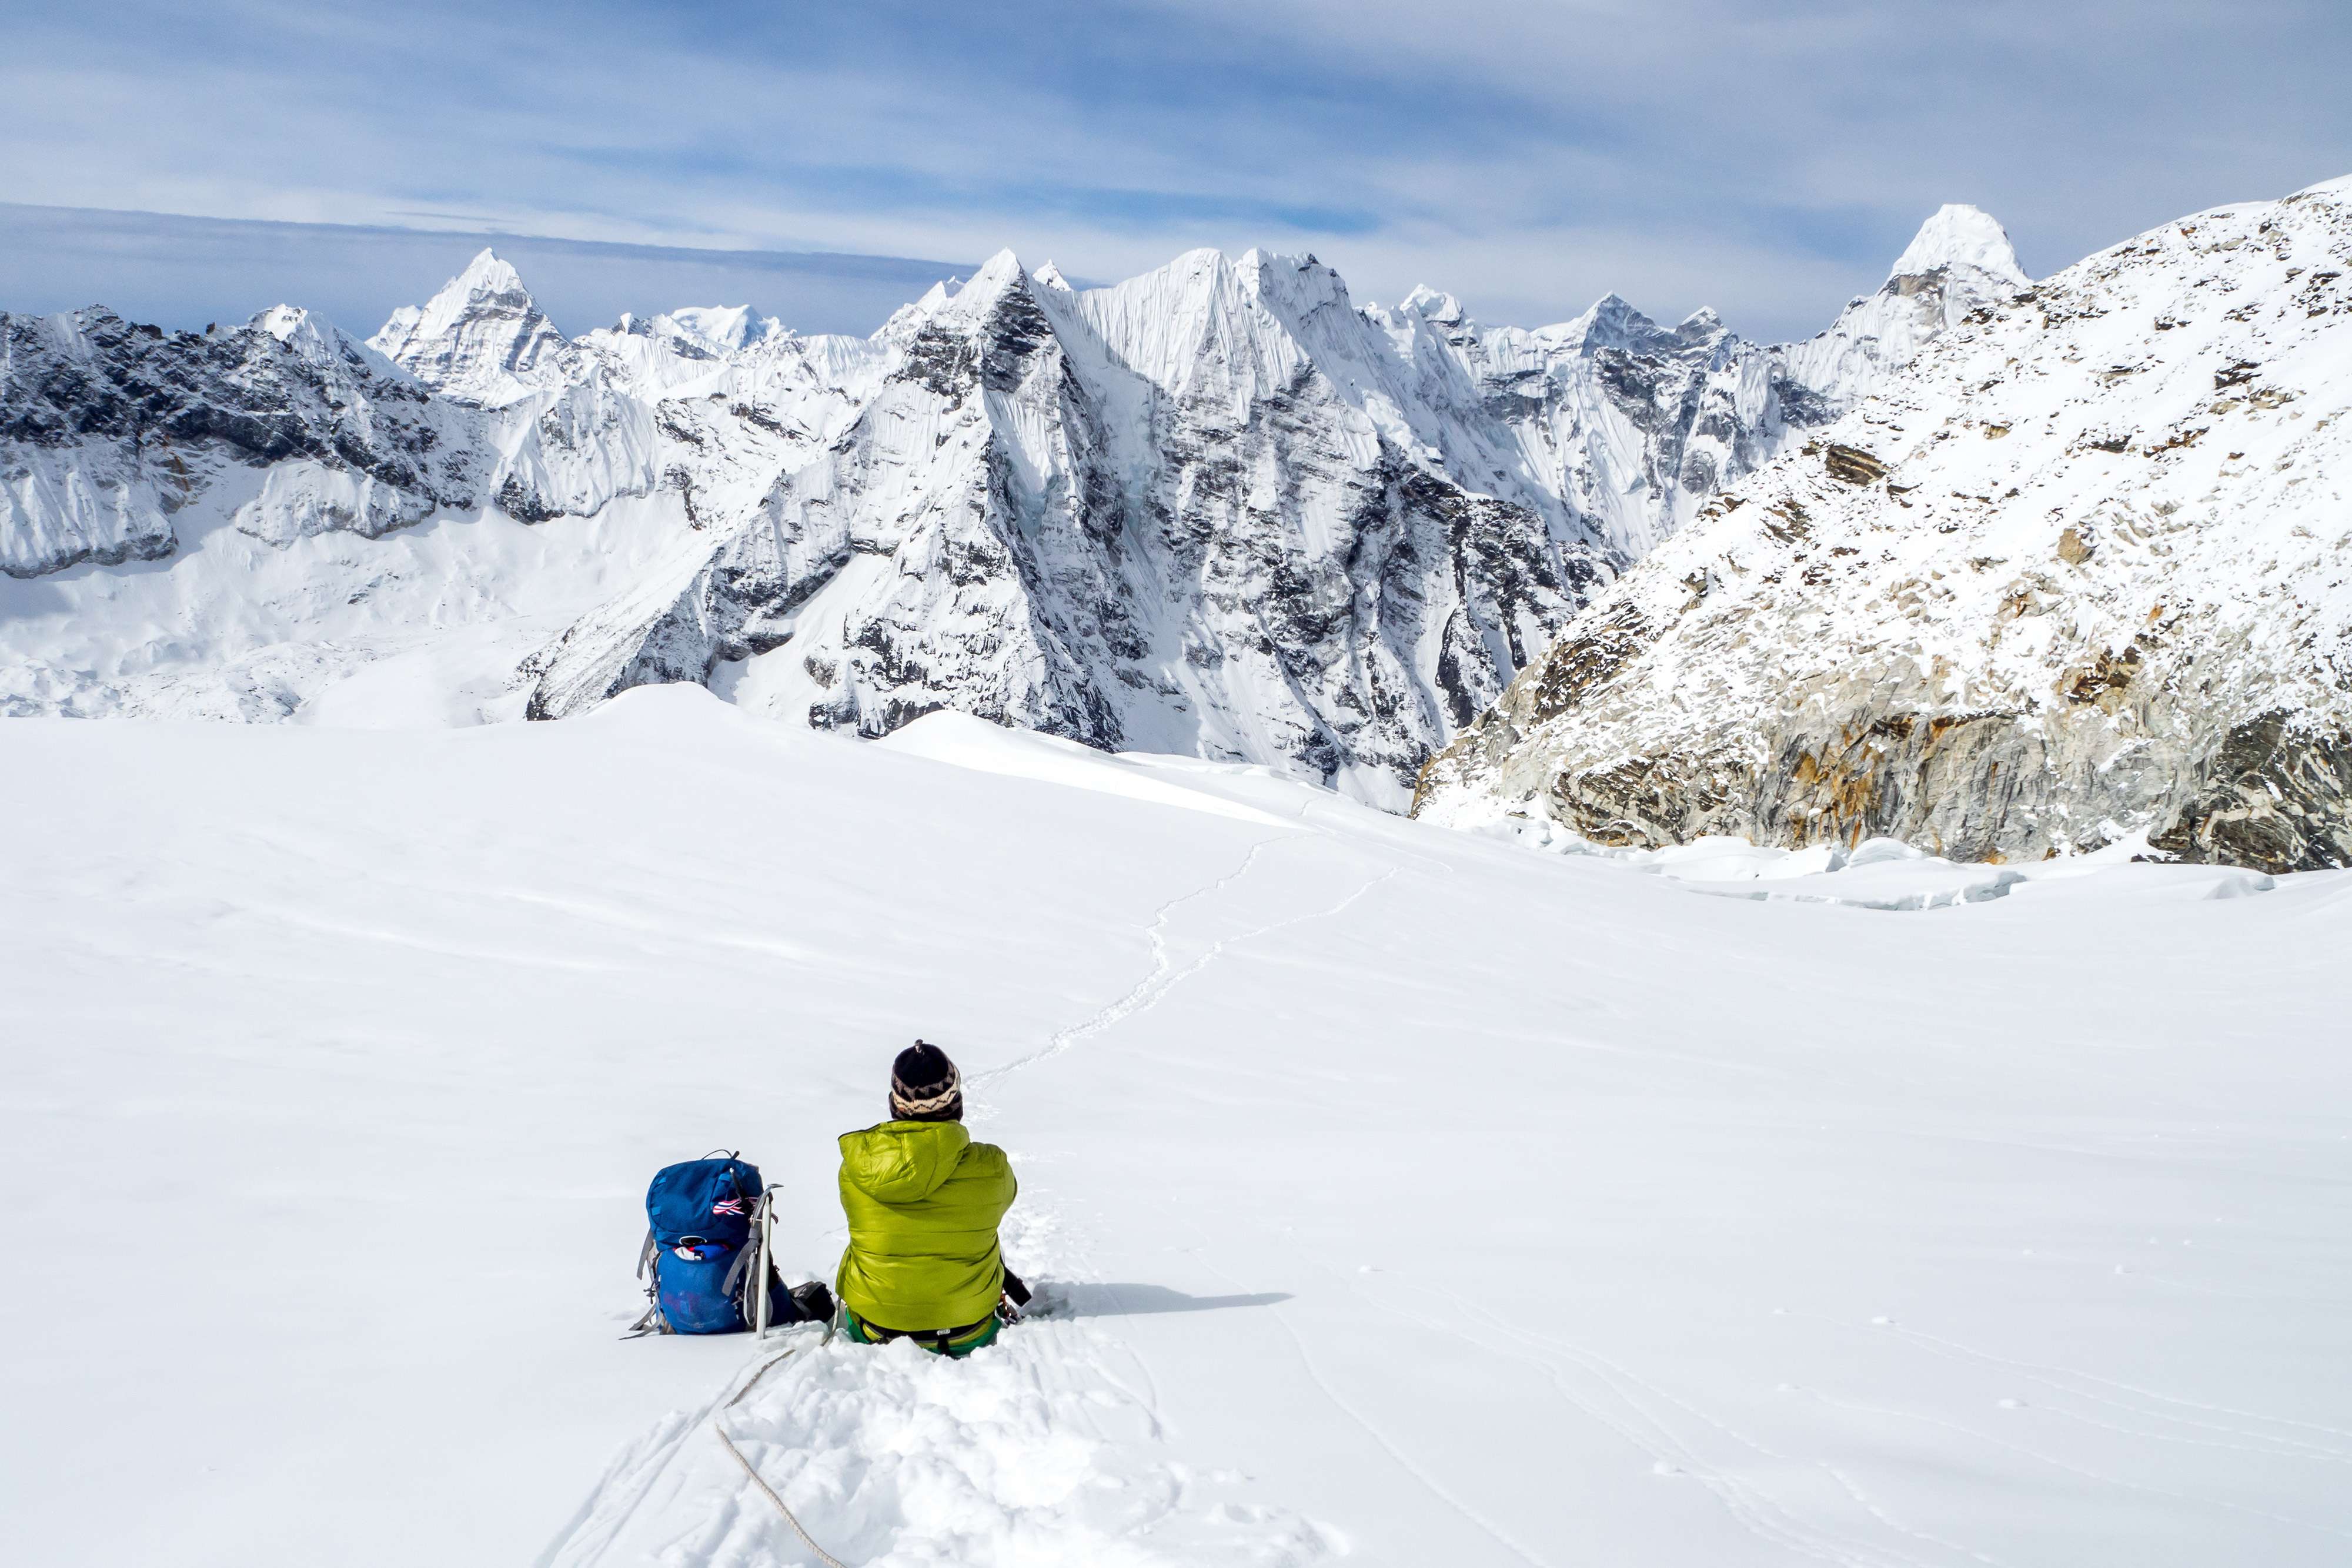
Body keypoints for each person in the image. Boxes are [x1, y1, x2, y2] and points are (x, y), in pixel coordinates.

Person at [834, 1041, 1030, 1356]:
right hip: (969, 1329)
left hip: (874, 1328)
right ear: (956, 1104)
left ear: (894, 1105)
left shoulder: (857, 1167)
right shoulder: (992, 1167)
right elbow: (1008, 1197)